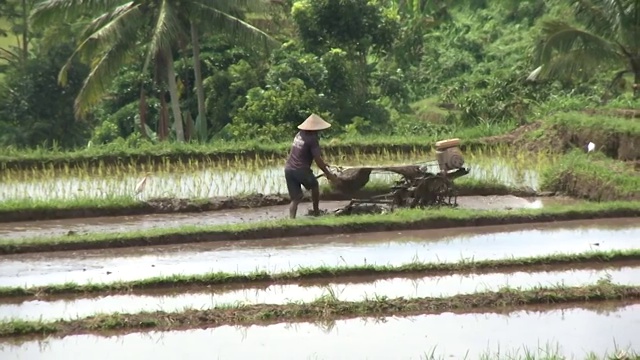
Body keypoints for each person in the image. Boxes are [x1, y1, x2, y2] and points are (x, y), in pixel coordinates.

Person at [284, 113, 339, 219]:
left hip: (289, 169)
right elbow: (317, 160)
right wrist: (329, 174)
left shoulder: (299, 134)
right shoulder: (312, 139)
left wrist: (324, 164)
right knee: (314, 186)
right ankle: (316, 212)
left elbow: (303, 154)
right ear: (315, 129)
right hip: (301, 170)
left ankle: (291, 220)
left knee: (296, 198)